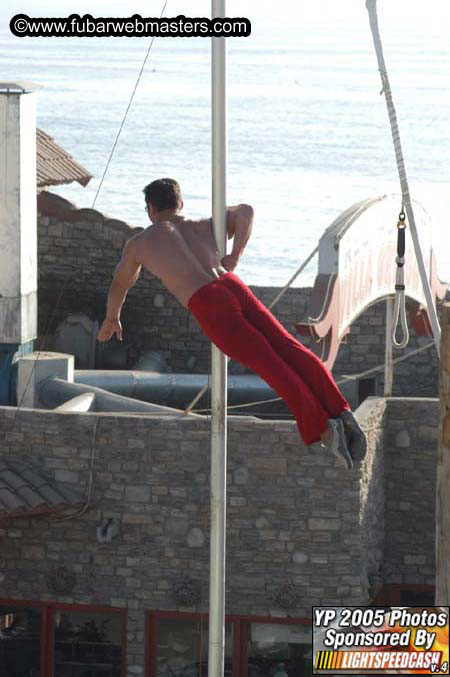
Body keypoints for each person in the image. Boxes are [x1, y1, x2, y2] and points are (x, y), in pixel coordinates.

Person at [97, 178, 366, 469]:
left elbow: (120, 283)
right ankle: (340, 411)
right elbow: (245, 212)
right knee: (289, 348)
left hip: (208, 302)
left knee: (271, 365)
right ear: (180, 204)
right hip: (232, 284)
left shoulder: (140, 243)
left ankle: (326, 430)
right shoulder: (202, 225)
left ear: (150, 209)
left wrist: (113, 318)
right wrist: (235, 256)